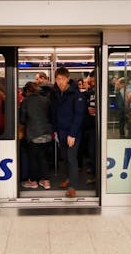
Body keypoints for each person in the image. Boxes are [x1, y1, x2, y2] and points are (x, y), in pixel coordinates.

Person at [51, 67, 86, 198]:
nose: (60, 82)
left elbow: (79, 115)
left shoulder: (76, 95)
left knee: (71, 158)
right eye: (58, 79)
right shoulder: (54, 94)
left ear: (68, 79)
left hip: (73, 133)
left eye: (63, 79)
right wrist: (54, 131)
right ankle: (68, 178)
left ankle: (73, 187)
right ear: (55, 79)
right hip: (60, 132)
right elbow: (53, 113)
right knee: (64, 158)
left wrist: (73, 134)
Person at [20, 82, 53, 189]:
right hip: (47, 133)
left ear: (27, 91)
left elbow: (22, 119)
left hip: (34, 134)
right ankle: (46, 181)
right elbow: (50, 115)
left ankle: (33, 181)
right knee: (43, 157)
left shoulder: (26, 101)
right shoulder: (46, 100)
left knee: (33, 158)